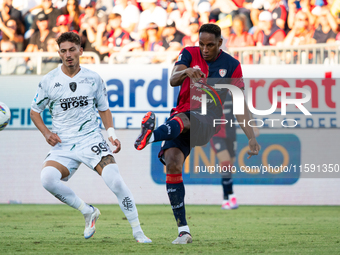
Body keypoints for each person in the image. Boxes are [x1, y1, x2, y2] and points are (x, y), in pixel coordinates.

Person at [134, 23, 260, 244]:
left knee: (187, 118)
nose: (204, 49)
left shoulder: (232, 65)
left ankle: (150, 136)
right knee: (173, 163)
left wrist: (251, 137)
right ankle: (184, 231)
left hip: (208, 122)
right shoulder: (189, 53)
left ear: (220, 43)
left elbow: (240, 106)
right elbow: (173, 79)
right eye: (201, 44)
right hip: (179, 117)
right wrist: (186, 72)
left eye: (210, 45)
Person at [30, 32, 152, 243]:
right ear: (59, 53)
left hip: (91, 139)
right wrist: (46, 133)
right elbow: (34, 111)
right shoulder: (48, 80)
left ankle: (138, 231)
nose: (68, 55)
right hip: (63, 143)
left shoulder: (93, 78)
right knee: (47, 179)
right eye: (63, 51)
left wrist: (111, 135)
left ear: (80, 51)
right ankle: (87, 211)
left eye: (72, 50)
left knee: (115, 180)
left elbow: (104, 109)